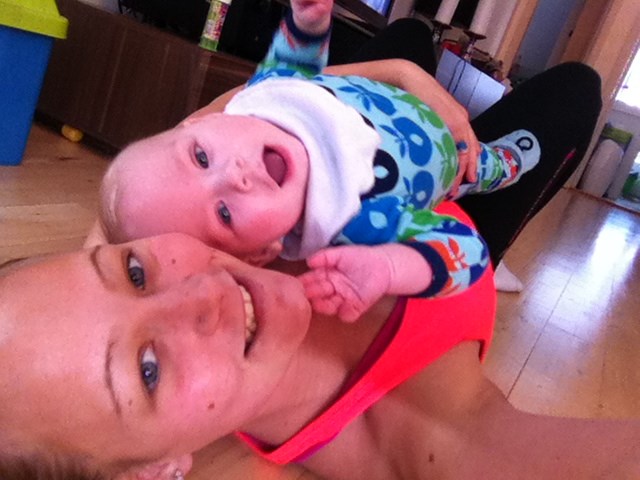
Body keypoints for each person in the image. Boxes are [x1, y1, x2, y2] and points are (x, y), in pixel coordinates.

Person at [2, 225, 640, 480]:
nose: (199, 292)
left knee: (409, 39)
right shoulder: (450, 444)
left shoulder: (220, 214)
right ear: (153, 470)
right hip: (483, 227)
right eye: (147, 371)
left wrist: (394, 70)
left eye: (135, 272)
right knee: (576, 95)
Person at [96, 0, 542, 321]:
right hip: (448, 152)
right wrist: (389, 267)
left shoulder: (264, 99)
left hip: (391, 92)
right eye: (225, 213)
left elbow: (294, 64)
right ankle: (508, 161)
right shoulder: (351, 219)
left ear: (202, 121)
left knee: (410, 32)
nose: (234, 176)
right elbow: (468, 251)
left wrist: (308, 19)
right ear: (262, 252)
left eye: (201, 157)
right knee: (482, 167)